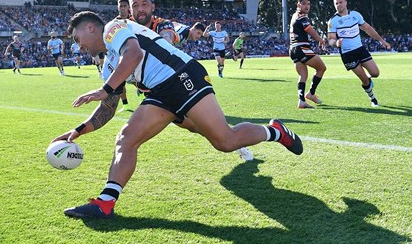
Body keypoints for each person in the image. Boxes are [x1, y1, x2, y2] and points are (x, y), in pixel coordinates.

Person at [52, 11, 303, 219]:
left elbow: (135, 54)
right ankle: (105, 203)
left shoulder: (112, 27)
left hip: (181, 76)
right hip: (160, 93)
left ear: (90, 28)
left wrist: (103, 89)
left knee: (225, 141)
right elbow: (108, 107)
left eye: (77, 38)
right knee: (126, 139)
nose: (79, 45)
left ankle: (275, 131)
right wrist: (78, 131)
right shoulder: (108, 64)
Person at [128, 0, 253, 161]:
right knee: (194, 126)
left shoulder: (163, 25)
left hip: (176, 84)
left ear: (152, 7)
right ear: (130, 10)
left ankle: (236, 140)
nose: (140, 9)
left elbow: (168, 40)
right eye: (135, 5)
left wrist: (190, 33)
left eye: (144, 4)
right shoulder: (125, 30)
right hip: (155, 92)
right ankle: (233, 139)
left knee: (203, 126)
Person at [327, 0, 391, 107]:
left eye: (340, 2)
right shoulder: (333, 21)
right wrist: (336, 43)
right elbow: (331, 39)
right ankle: (373, 98)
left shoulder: (356, 15)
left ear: (346, 2)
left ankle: (369, 81)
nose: (338, 5)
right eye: (336, 3)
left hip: (360, 49)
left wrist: (382, 41)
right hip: (347, 54)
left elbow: (368, 29)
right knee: (364, 80)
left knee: (375, 73)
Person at [290, 0, 328, 109]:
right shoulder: (302, 17)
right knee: (321, 68)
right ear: (298, 5)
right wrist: (320, 39)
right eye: (304, 4)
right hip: (302, 48)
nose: (307, 6)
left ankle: (301, 101)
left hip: (292, 49)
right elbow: (309, 30)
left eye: (308, 4)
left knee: (303, 75)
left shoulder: (294, 15)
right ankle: (311, 93)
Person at [114, 0, 132, 112]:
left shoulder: (134, 21)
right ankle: (125, 105)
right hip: (121, 55)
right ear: (118, 7)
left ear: (128, 8)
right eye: (121, 6)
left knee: (139, 81)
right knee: (121, 82)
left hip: (135, 55)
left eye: (125, 6)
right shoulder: (114, 23)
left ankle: (142, 94)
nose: (123, 8)